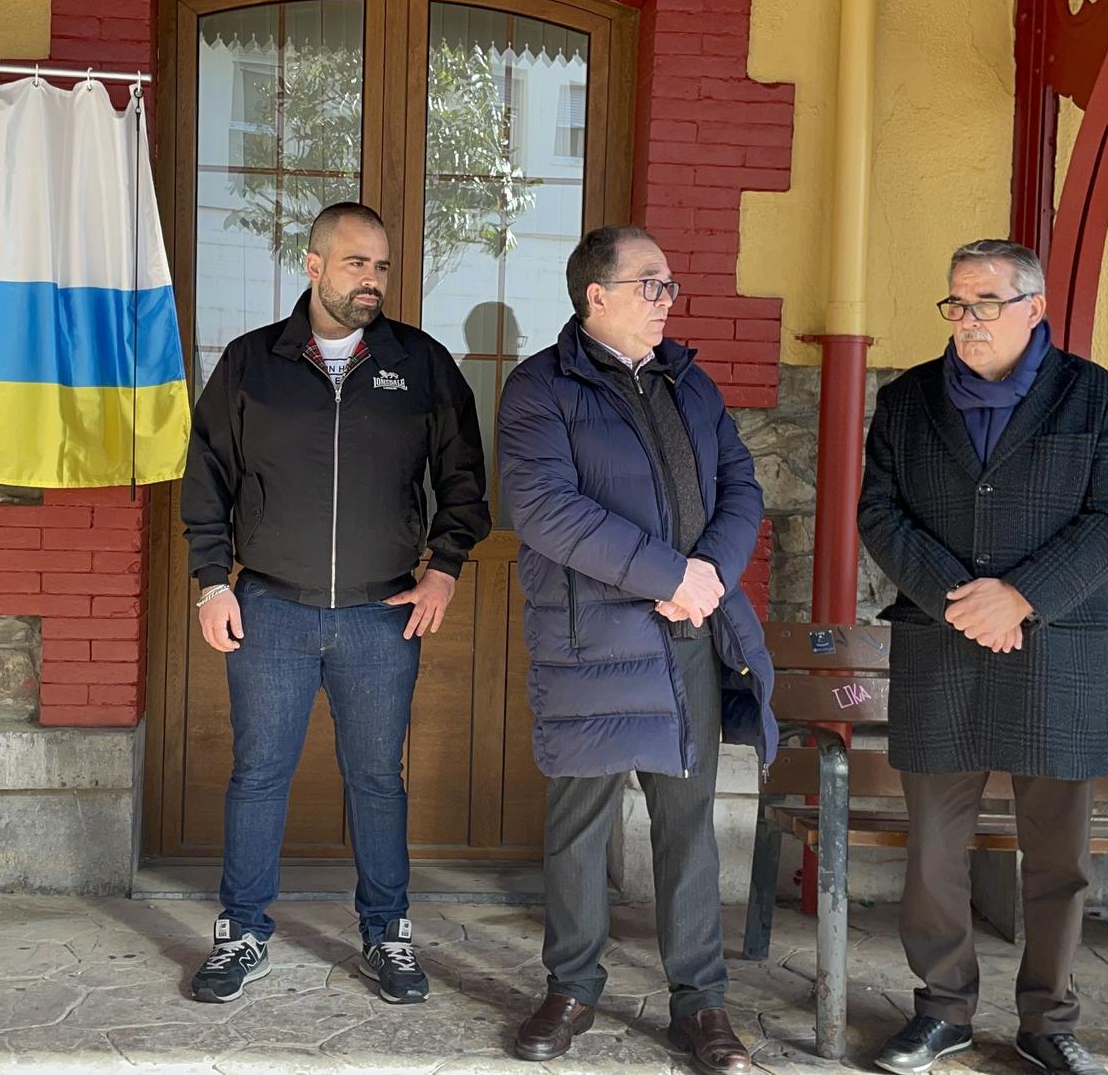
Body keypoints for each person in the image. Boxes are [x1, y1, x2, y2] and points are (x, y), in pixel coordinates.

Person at [179, 202, 490, 1005]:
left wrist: (446, 568)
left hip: (380, 614)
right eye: (357, 263)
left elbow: (464, 477)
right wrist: (213, 581)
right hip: (270, 609)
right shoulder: (254, 363)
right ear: (313, 265)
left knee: (377, 779)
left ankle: (388, 934)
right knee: (258, 775)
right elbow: (206, 476)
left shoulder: (419, 364)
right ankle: (242, 930)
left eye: (382, 266)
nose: (373, 281)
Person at [496, 225, 776, 1074]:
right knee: (579, 823)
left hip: (689, 634)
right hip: (592, 640)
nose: (667, 299)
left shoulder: (689, 384)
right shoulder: (541, 388)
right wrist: (664, 572)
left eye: (668, 285)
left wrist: (707, 578)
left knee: (687, 822)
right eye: (651, 284)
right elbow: (545, 509)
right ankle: (570, 986)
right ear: (597, 297)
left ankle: (701, 1001)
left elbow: (741, 488)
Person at [857, 239, 1108, 1075]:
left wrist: (1019, 595)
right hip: (939, 646)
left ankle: (1048, 1018)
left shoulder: (1096, 398)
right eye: (956, 302)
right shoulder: (906, 399)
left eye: (985, 301)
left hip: (1055, 649)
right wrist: (962, 595)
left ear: (1035, 307)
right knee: (934, 852)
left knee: (1059, 854)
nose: (967, 318)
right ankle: (941, 1009)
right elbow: (879, 512)